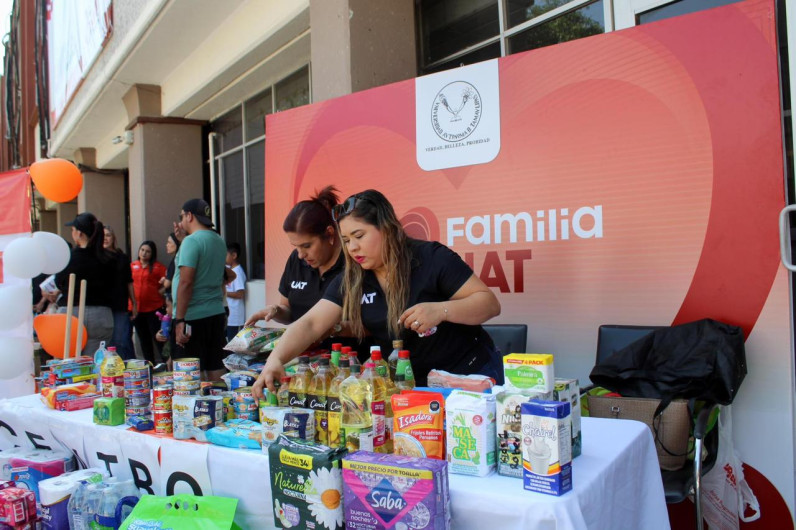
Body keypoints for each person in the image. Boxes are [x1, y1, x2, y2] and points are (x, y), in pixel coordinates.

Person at [252, 189, 501, 398]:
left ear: (387, 228)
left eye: (359, 236)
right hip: (413, 386)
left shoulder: (431, 258)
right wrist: (275, 359)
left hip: (467, 377)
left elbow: (489, 304)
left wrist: (441, 310)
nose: (353, 248)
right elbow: (310, 323)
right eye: (347, 240)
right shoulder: (353, 277)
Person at [244, 185, 367, 353]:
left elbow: (374, 323)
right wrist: (275, 310)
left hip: (351, 366)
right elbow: (289, 311)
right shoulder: (296, 260)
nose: (301, 255)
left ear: (330, 234)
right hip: (302, 363)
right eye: (296, 247)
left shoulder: (356, 263)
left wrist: (332, 329)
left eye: (307, 246)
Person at [172, 199, 228, 381]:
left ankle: (190, 409)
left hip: (192, 316)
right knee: (215, 365)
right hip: (216, 313)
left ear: (189, 216)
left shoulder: (191, 241)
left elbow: (186, 282)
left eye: (182, 216)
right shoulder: (219, 240)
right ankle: (219, 406)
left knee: (188, 374)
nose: (181, 222)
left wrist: (180, 319)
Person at [55, 212, 117, 356]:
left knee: (69, 365)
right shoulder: (109, 258)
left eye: (73, 230)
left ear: (80, 233)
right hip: (101, 315)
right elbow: (115, 286)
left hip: (72, 312)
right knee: (94, 364)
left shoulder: (69, 257)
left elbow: (59, 282)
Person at [104, 226, 138, 360]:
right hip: (103, 306)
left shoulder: (122, 257)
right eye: (103, 236)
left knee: (121, 341)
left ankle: (123, 371)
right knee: (107, 342)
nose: (105, 238)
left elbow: (129, 282)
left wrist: (134, 303)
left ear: (113, 238)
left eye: (108, 235)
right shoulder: (97, 257)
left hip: (120, 304)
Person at [131, 240, 166, 364]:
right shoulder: (132, 266)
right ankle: (149, 366)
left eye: (148, 251)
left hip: (154, 308)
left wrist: (160, 292)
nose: (144, 253)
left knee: (159, 339)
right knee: (143, 340)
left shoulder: (158, 267)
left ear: (152, 254)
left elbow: (168, 281)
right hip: (137, 310)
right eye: (142, 250)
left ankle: (165, 364)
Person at [225, 242, 246, 341]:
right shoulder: (229, 269)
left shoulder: (237, 272)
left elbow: (240, 294)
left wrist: (224, 293)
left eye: (225, 255)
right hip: (229, 317)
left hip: (235, 318)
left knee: (233, 345)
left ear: (234, 255)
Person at [159, 232, 180, 297]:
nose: (167, 245)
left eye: (169, 242)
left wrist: (164, 280)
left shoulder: (175, 261)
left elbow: (167, 284)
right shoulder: (180, 258)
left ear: (177, 244)